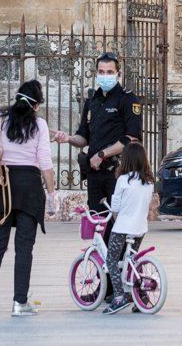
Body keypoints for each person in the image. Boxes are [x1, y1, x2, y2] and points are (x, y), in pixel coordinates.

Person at [52, 51, 142, 297]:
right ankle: (106, 286)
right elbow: (84, 137)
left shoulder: (127, 100)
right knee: (99, 230)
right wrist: (68, 138)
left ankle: (122, 285)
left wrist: (101, 154)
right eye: (101, 72)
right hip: (95, 176)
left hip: (118, 174)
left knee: (118, 229)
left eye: (109, 72)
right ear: (95, 74)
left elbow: (131, 138)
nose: (105, 76)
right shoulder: (92, 101)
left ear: (118, 73)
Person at [0, 80, 57, 317]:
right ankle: (19, 303)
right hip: (30, 188)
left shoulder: (0, 119)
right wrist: (51, 195)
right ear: (37, 105)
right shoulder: (39, 125)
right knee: (24, 248)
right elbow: (45, 163)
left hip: (2, 186)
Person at [103, 142, 155, 315]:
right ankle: (140, 297)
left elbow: (115, 207)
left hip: (123, 227)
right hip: (140, 228)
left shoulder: (123, 180)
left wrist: (118, 218)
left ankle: (120, 296)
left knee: (111, 259)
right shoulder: (149, 182)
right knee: (132, 262)